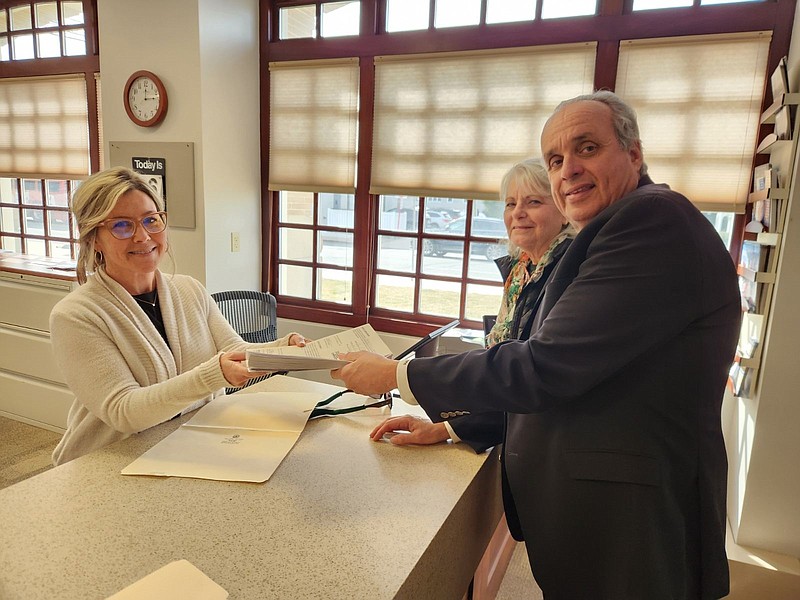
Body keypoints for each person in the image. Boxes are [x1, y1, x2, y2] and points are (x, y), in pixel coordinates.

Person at [332, 91, 740, 599]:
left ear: (633, 154)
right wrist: (452, 427)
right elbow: (574, 378)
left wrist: (399, 375)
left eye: (587, 148)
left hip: (631, 526)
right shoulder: (610, 232)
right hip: (590, 518)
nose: (568, 169)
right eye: (555, 159)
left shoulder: (651, 222)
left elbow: (545, 366)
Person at [50, 166, 306, 466]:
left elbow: (234, 350)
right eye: (122, 226)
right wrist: (214, 375)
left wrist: (284, 347)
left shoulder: (188, 289)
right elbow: (124, 411)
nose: (143, 236)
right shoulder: (76, 316)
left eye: (151, 220)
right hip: (108, 462)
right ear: (93, 237)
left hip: (186, 445)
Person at [371, 159, 573, 452]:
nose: (518, 213)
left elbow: (524, 377)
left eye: (534, 201)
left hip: (549, 449)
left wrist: (397, 374)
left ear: (564, 211)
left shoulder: (564, 274)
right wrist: (444, 429)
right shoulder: (523, 271)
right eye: (510, 203)